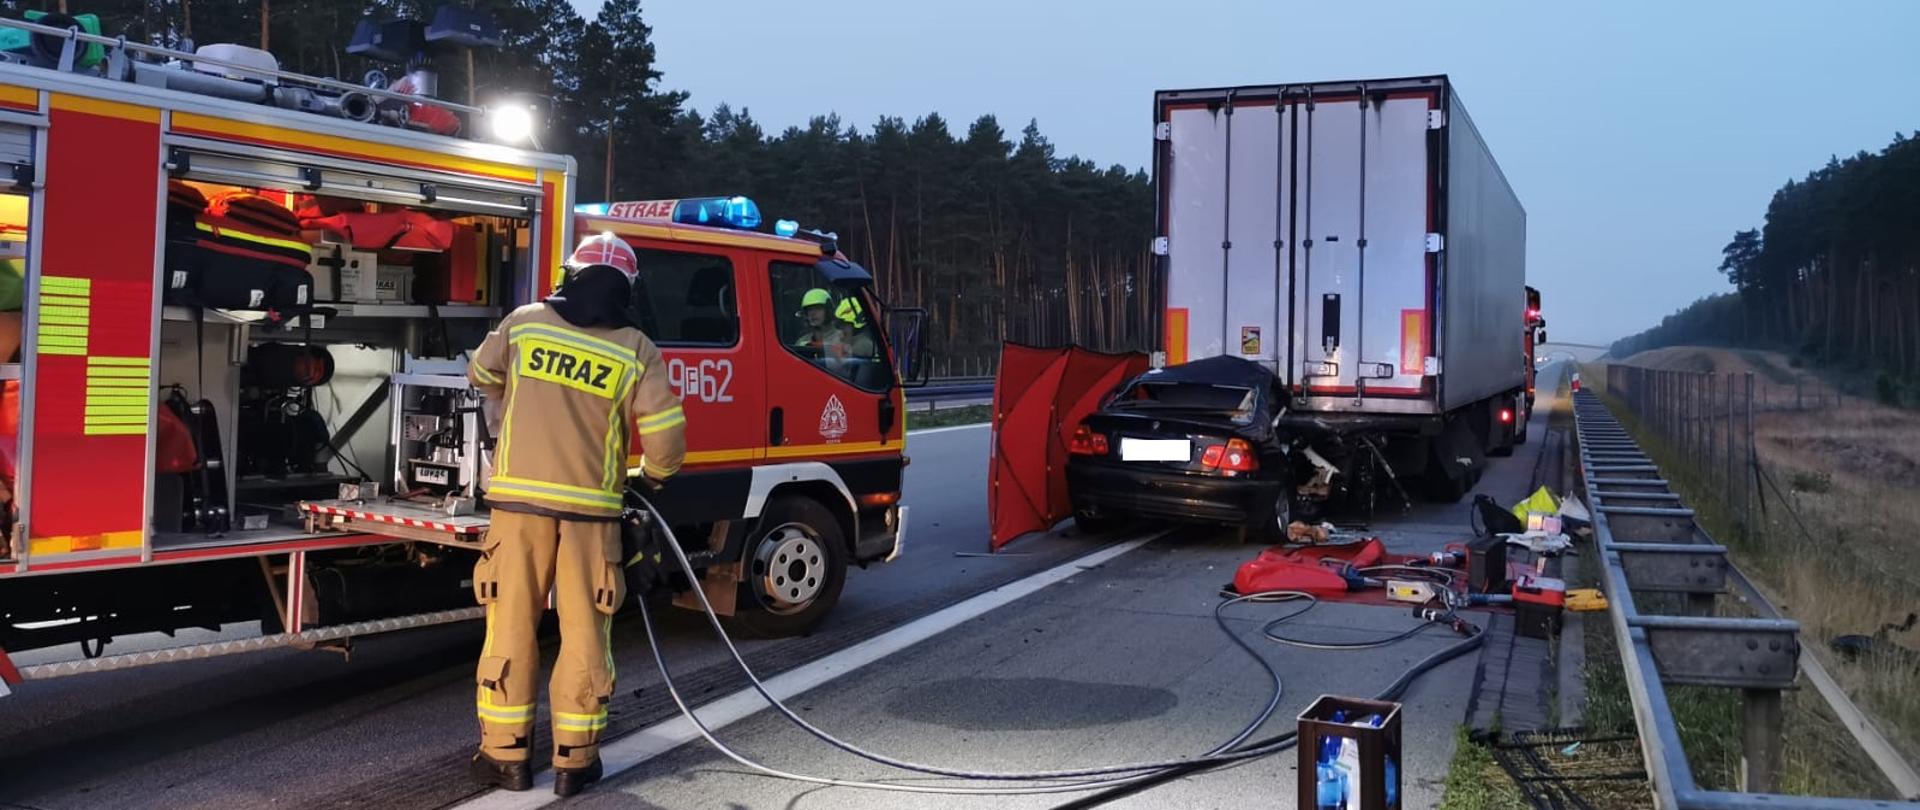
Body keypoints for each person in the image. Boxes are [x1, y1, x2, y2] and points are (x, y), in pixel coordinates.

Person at [464, 232, 686, 797]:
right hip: (592, 516)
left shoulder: (525, 322)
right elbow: (665, 441)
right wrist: (652, 480)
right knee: (586, 634)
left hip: (517, 511)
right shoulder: (636, 347)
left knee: (510, 627)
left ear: (571, 276)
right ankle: (574, 762)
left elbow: (481, 376)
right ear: (626, 290)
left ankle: (506, 757)